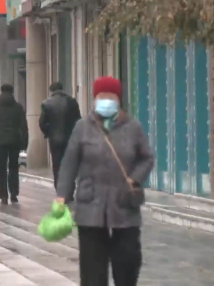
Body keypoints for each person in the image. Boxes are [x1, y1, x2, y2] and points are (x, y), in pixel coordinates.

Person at [55, 76, 154, 286]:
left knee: (128, 264)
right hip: (91, 206)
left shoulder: (133, 127)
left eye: (111, 96)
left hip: (124, 205)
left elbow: (147, 158)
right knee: (92, 272)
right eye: (102, 96)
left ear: (119, 100)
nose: (106, 101)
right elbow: (69, 164)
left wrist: (135, 179)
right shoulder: (82, 127)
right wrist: (61, 195)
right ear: (94, 99)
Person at [0, 84, 28, 205]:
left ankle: (3, 196)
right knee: (14, 167)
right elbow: (23, 127)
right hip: (14, 141)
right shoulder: (18, 107)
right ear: (12, 92)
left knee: (1, 168)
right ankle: (14, 193)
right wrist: (24, 143)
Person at [39, 81, 81, 191]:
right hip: (70, 138)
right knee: (69, 164)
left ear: (51, 91)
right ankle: (70, 190)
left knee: (57, 165)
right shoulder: (72, 102)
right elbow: (78, 120)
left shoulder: (47, 104)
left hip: (54, 139)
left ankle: (60, 190)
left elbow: (42, 123)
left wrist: (48, 133)